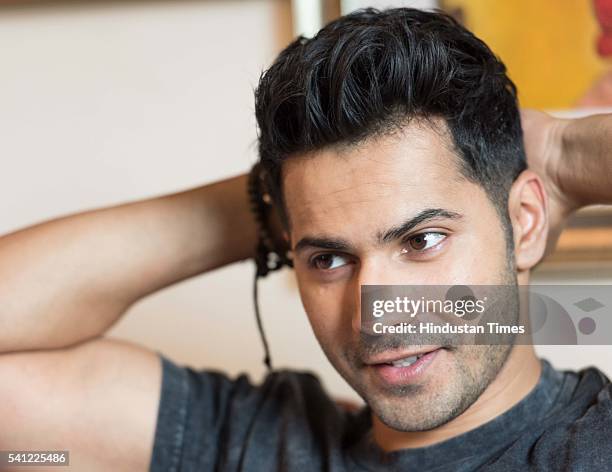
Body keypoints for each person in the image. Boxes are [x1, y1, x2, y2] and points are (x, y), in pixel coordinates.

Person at [0, 7, 611, 472]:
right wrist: (280, 201)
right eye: (329, 257)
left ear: (524, 222)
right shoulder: (256, 446)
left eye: (422, 240)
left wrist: (563, 154)